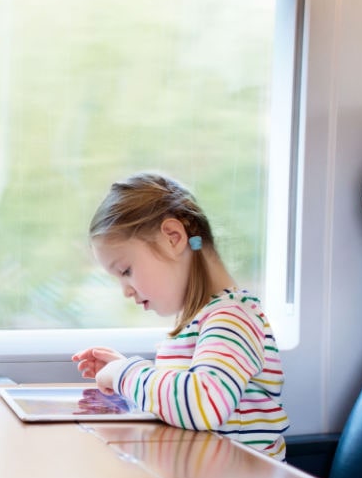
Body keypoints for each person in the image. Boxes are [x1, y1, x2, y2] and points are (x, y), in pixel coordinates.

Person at [71, 173, 288, 460]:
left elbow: (203, 405)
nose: (125, 290)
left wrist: (126, 374)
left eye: (126, 271)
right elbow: (178, 401)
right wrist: (124, 372)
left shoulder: (233, 318)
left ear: (173, 238)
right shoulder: (197, 323)